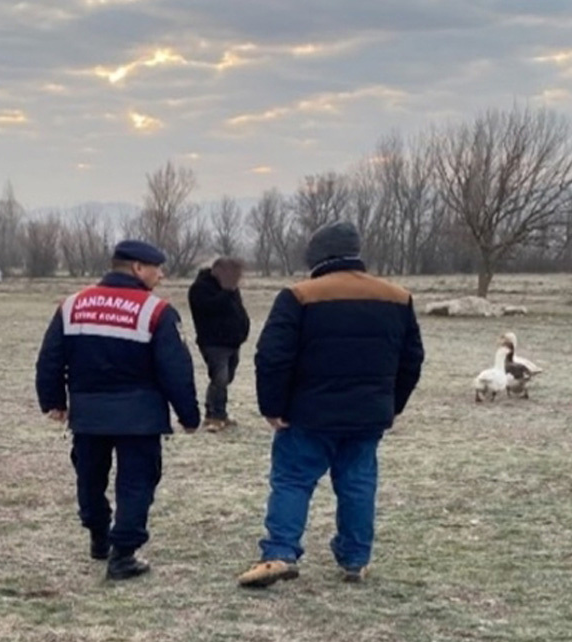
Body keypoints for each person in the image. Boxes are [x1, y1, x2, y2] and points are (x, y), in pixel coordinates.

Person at [237, 221, 424, 588]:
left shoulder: (298, 295)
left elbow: (272, 356)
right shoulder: (397, 297)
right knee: (358, 483)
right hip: (368, 413)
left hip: (307, 412)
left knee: (292, 480)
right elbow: (412, 358)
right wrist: (392, 404)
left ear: (317, 256)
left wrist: (272, 406)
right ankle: (356, 559)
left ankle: (279, 552)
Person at [35, 239, 201, 581]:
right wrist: (188, 414)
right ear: (138, 268)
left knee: (90, 477)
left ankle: (98, 535)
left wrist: (53, 400)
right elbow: (176, 369)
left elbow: (51, 357)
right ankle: (123, 553)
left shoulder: (73, 306)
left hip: (89, 415)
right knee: (137, 483)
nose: (163, 275)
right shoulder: (156, 311)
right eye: (158, 268)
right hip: (140, 418)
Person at [188, 258, 251, 432]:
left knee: (226, 378)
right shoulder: (200, 288)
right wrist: (227, 291)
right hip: (213, 342)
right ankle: (215, 416)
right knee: (220, 378)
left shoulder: (232, 290)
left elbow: (237, 309)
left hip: (232, 341)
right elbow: (209, 308)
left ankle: (216, 412)